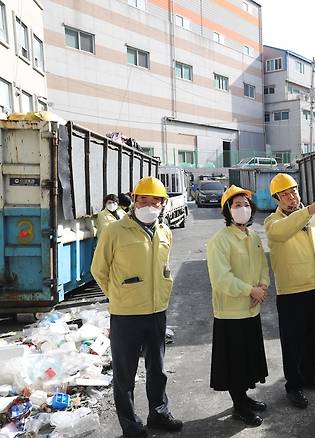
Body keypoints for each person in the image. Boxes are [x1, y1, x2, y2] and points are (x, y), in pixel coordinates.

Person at [91, 176, 182, 438]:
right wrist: (118, 295)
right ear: (134, 200)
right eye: (143, 200)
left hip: (156, 311)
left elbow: (164, 268)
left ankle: (159, 413)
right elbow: (99, 270)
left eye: (155, 201)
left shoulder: (165, 232)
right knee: (125, 374)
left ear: (163, 204)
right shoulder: (115, 231)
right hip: (126, 315)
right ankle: (131, 427)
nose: (149, 205)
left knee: (158, 369)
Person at [264, 173, 315, 409]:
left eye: (293, 191)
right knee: (292, 342)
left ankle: (309, 376)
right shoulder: (273, 223)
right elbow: (283, 231)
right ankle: (293, 385)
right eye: (284, 194)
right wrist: (310, 209)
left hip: (313, 287)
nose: (290, 196)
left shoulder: (312, 218)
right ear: (277, 200)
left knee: (311, 337)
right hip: (291, 292)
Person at [207, 185, 270, 427]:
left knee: (247, 358)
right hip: (230, 312)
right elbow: (221, 279)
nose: (242, 209)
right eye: (236, 205)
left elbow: (262, 265)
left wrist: (262, 287)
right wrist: (250, 290)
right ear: (227, 211)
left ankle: (244, 397)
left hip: (252, 308)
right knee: (235, 362)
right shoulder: (219, 241)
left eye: (245, 204)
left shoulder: (253, 236)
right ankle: (239, 406)